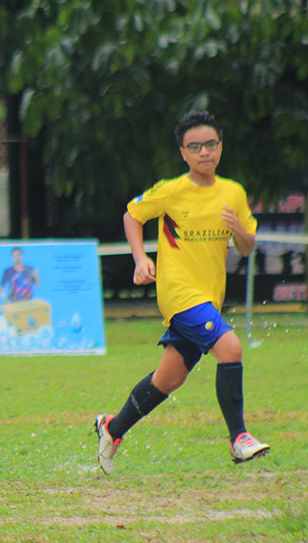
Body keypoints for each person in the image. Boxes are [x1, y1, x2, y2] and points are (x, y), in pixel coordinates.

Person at [94, 110, 270, 474]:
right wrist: (141, 259)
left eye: (211, 144)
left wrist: (238, 228)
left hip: (208, 298)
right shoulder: (171, 190)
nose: (204, 152)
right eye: (195, 146)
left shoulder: (233, 192)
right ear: (183, 153)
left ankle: (112, 428)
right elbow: (132, 215)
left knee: (169, 379)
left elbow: (248, 246)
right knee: (231, 347)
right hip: (177, 293)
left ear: (220, 147)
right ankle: (239, 438)